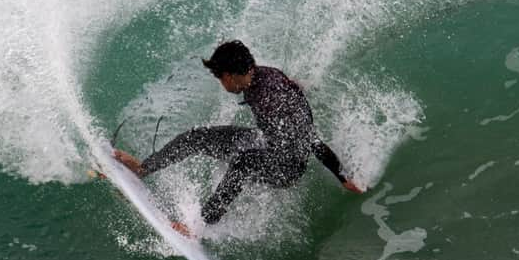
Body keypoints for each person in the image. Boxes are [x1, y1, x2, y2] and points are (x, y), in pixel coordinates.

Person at [113, 40, 363, 228]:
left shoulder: (269, 98)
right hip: (269, 142)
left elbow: (310, 140)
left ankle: (198, 225)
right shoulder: (264, 75)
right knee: (197, 137)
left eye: (220, 78)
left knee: (245, 162)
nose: (222, 85)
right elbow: (290, 85)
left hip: (288, 166)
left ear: (230, 76)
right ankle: (143, 168)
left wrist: (342, 176)